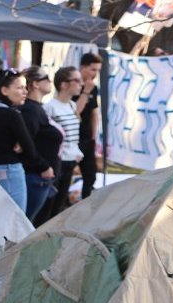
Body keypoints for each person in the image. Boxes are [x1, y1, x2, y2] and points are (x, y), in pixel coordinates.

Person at [0, 70, 46, 213]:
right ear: (4, 90)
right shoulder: (12, 114)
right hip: (9, 171)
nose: (25, 91)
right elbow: (29, 148)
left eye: (25, 87)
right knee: (17, 220)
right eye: (20, 87)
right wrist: (44, 167)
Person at [40, 66, 84, 225]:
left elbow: (74, 133)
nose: (81, 84)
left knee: (59, 204)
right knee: (49, 203)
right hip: (57, 160)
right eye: (76, 80)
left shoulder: (72, 106)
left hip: (71, 159)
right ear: (64, 84)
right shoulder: (49, 107)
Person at [19, 66, 63, 223]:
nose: (50, 82)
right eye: (47, 79)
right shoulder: (30, 110)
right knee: (28, 223)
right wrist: (43, 166)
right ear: (36, 84)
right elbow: (26, 144)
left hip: (41, 176)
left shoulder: (36, 108)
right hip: (36, 176)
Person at [76, 52, 102, 199]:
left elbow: (93, 112)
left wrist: (93, 136)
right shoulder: (72, 84)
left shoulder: (94, 87)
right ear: (83, 67)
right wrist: (85, 92)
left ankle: (86, 203)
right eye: (93, 69)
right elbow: (75, 112)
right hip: (73, 138)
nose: (95, 74)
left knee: (90, 175)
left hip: (87, 138)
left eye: (98, 70)